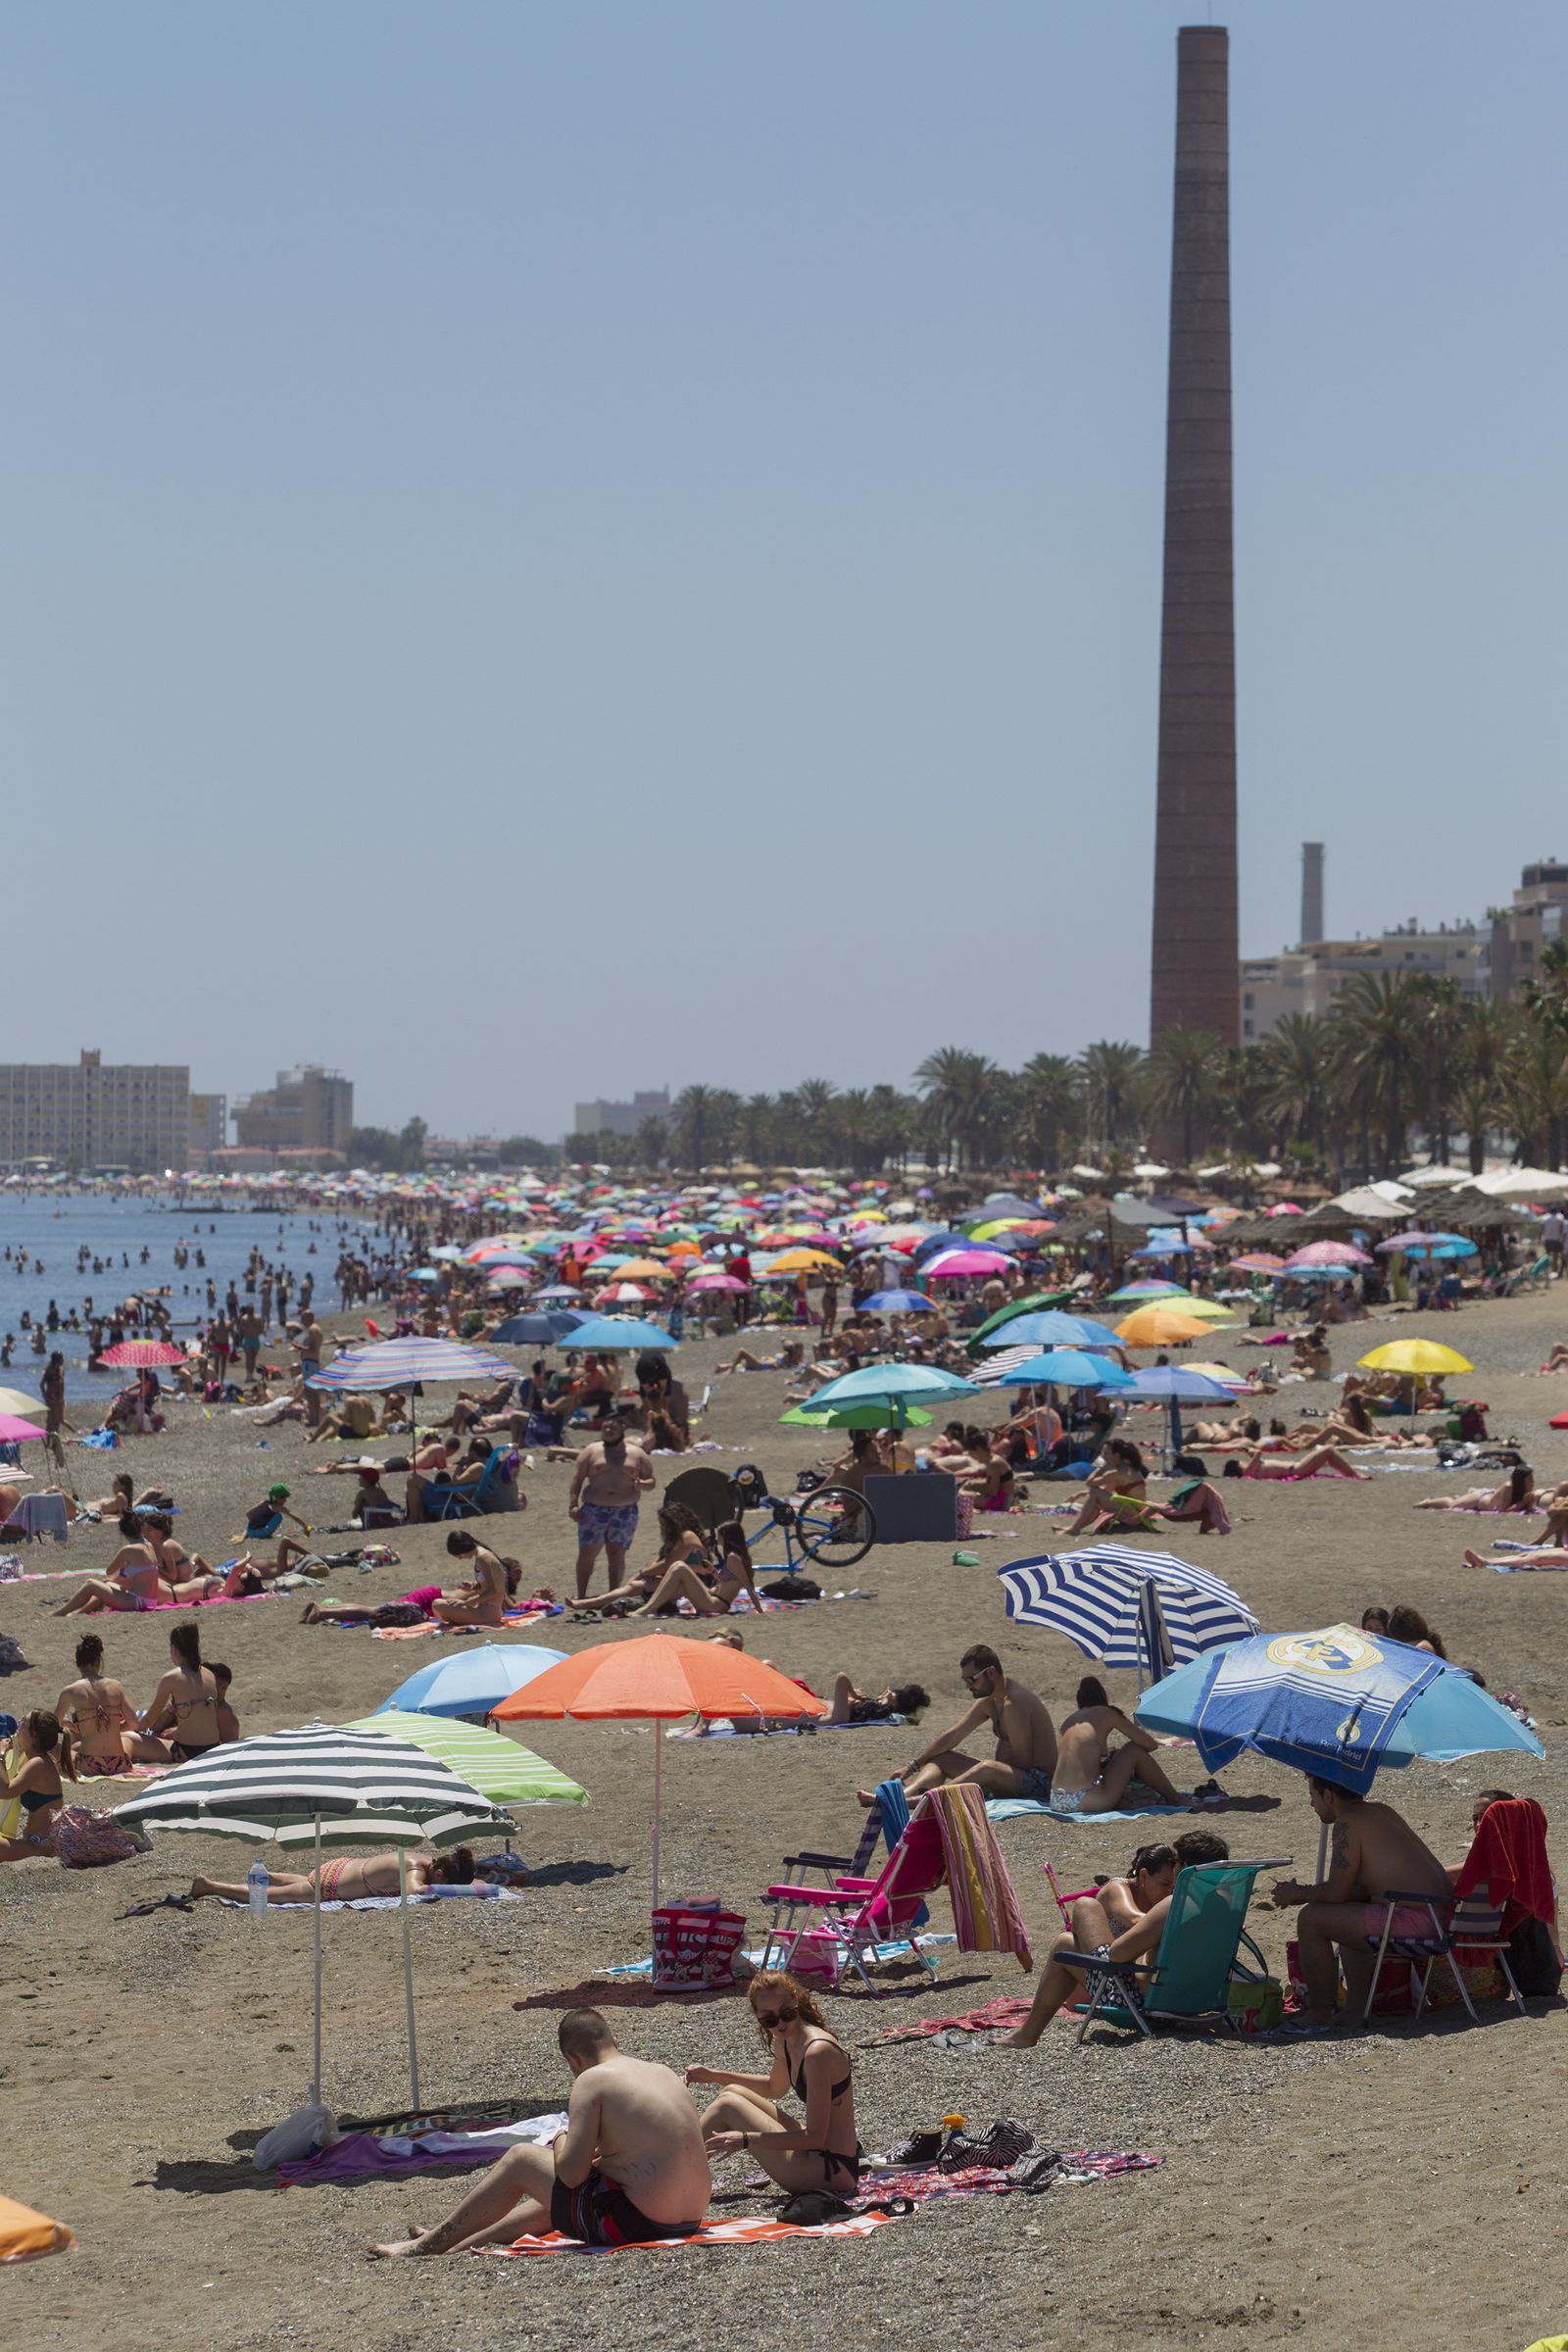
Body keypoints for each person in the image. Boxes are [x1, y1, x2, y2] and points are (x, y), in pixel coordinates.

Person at [368, 2007, 711, 2257]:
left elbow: (571, 2175)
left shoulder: (592, 2080)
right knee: (555, 2194)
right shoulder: (660, 2071)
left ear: (573, 2059)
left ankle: (426, 2246)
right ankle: (459, 2240)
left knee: (522, 2159)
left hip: (640, 2222)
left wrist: (561, 2138)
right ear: (614, 2041)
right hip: (689, 2218)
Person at [1270, 1775, 1452, 2032]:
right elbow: (1354, 1892)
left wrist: (1297, 1893)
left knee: (1311, 1919)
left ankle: (1319, 2014)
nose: (1311, 1804)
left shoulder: (1348, 1822)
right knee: (1342, 1917)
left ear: (1329, 1796)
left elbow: (1336, 1891)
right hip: (1438, 1915)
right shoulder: (1380, 1811)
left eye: (1312, 1795)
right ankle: (1355, 2011)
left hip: (1416, 1919)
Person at [687, 1970, 861, 2197]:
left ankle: (672, 2173)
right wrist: (713, 2075)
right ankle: (679, 2168)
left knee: (728, 2105)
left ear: (797, 2001)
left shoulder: (817, 2051)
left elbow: (815, 2137)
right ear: (759, 2018)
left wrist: (746, 2139)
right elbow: (774, 2088)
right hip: (817, 2154)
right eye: (769, 2019)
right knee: (732, 2092)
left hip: (832, 2170)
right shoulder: (787, 2040)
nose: (779, 2023)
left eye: (787, 2013)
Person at [858, 1644, 1056, 1808]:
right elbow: (953, 1735)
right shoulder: (991, 1701)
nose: (969, 1686)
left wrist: (986, 1773)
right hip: (1009, 1775)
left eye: (972, 1679)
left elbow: (1024, 1762)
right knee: (944, 1757)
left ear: (991, 1672)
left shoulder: (1014, 1704)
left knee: (986, 1768)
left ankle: (921, 1802)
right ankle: (902, 1796)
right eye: (965, 1680)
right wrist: (912, 1766)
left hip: (1038, 1782)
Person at [1050, 1676, 1198, 1816]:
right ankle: (1174, 1798)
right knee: (1133, 1749)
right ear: (1103, 1696)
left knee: (1115, 1759)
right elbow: (1149, 1744)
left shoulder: (1069, 1722)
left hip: (1057, 1800)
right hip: (1087, 1800)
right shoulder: (1107, 1713)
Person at [190, 1845, 475, 1904]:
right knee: (271, 1899)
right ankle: (211, 1886)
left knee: (301, 1882)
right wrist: (455, 1891)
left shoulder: (423, 1857)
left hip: (339, 1867)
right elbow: (416, 1890)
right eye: (444, 1881)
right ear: (438, 1872)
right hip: (333, 1885)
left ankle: (267, 1874)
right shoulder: (416, 1870)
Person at [568, 1415, 657, 1599]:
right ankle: (582, 1594)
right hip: (594, 1510)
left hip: (625, 1511)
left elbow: (652, 1481)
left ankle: (612, 1594)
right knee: (588, 1552)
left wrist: (642, 1484)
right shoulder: (591, 1451)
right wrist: (573, 1504)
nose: (608, 1431)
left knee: (616, 1553)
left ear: (623, 1427)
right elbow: (577, 1479)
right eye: (605, 1427)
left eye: (612, 1427)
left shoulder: (637, 1454)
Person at [55, 1633, 160, 1774]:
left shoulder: (70, 1690)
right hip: (120, 1763)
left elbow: (52, 1725)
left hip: (89, 1764)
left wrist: (65, 1723)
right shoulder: (116, 1686)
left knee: (59, 1749)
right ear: (99, 1661)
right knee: (127, 1741)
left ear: (77, 1664)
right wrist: (113, 1728)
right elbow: (134, 1724)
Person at [628, 1518, 762, 1619]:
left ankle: (647, 1609)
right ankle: (649, 1607)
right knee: (677, 1567)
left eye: (719, 1535)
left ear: (727, 1537)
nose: (717, 1538)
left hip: (715, 1605)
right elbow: (728, 1582)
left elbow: (748, 1585)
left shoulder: (734, 1558)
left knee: (680, 1567)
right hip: (712, 1596)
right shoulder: (733, 1557)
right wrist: (714, 1572)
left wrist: (760, 1611)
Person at [138, 1623, 222, 1763]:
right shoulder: (209, 1674)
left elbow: (148, 1722)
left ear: (174, 1649)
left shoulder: (171, 1678)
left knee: (128, 1737)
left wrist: (123, 1727)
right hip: (212, 1748)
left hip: (186, 1752)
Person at [0, 1711, 73, 1861]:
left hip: (40, 1846)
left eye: (24, 1721)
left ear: (33, 1735)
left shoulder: (38, 1763)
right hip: (33, 1841)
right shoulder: (36, 1758)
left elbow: (5, 1791)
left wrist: (0, 1753)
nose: (19, 1721)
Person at [431, 1529, 514, 1627]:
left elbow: (493, 1591)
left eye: (459, 1555)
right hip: (488, 1611)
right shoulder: (483, 1554)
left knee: (437, 1604)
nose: (460, 1558)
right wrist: (474, 1586)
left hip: (487, 1614)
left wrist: (468, 1602)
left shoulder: (482, 1557)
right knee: (442, 1604)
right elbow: (490, 1585)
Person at [828, 1674, 930, 1725]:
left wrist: (856, 1696)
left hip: (840, 1718)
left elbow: (841, 1677)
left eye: (887, 1693)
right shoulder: (877, 1707)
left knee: (841, 1677)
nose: (883, 1694)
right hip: (841, 1716)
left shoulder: (884, 1709)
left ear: (893, 1698)